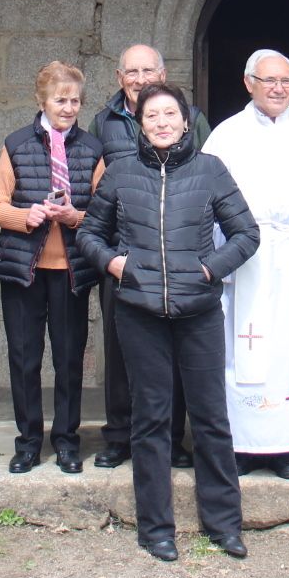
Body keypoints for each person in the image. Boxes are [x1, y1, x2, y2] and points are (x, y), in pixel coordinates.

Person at [78, 82, 261, 562]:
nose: (161, 122)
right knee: (151, 420)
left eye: (169, 114)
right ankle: (156, 528)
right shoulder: (120, 172)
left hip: (198, 312)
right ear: (140, 123)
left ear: (185, 121)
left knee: (211, 418)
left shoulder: (210, 170)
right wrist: (117, 265)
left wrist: (209, 269)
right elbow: (90, 233)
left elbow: (246, 233)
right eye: (151, 115)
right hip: (139, 314)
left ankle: (224, 524)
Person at [203, 49, 289, 480]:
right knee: (245, 349)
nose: (279, 89)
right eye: (269, 81)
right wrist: (214, 262)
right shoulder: (226, 135)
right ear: (249, 83)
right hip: (245, 260)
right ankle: (243, 446)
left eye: (286, 81)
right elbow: (205, 201)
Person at [91, 43, 213, 470]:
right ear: (119, 76)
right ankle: (119, 436)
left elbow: (207, 175)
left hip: (175, 253)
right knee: (120, 348)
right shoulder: (103, 120)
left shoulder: (192, 120)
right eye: (132, 71)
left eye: (148, 70)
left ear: (162, 73)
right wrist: (107, 255)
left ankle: (171, 438)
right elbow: (96, 181)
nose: (140, 78)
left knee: (172, 352)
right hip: (121, 252)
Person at [0, 61, 105, 476]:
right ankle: (28, 442)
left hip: (71, 269)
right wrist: (27, 215)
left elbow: (105, 213)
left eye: (75, 100)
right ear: (42, 101)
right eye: (60, 100)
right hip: (25, 269)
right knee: (25, 357)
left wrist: (75, 216)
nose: (68, 107)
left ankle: (68, 442)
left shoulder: (92, 149)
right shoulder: (16, 144)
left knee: (69, 358)